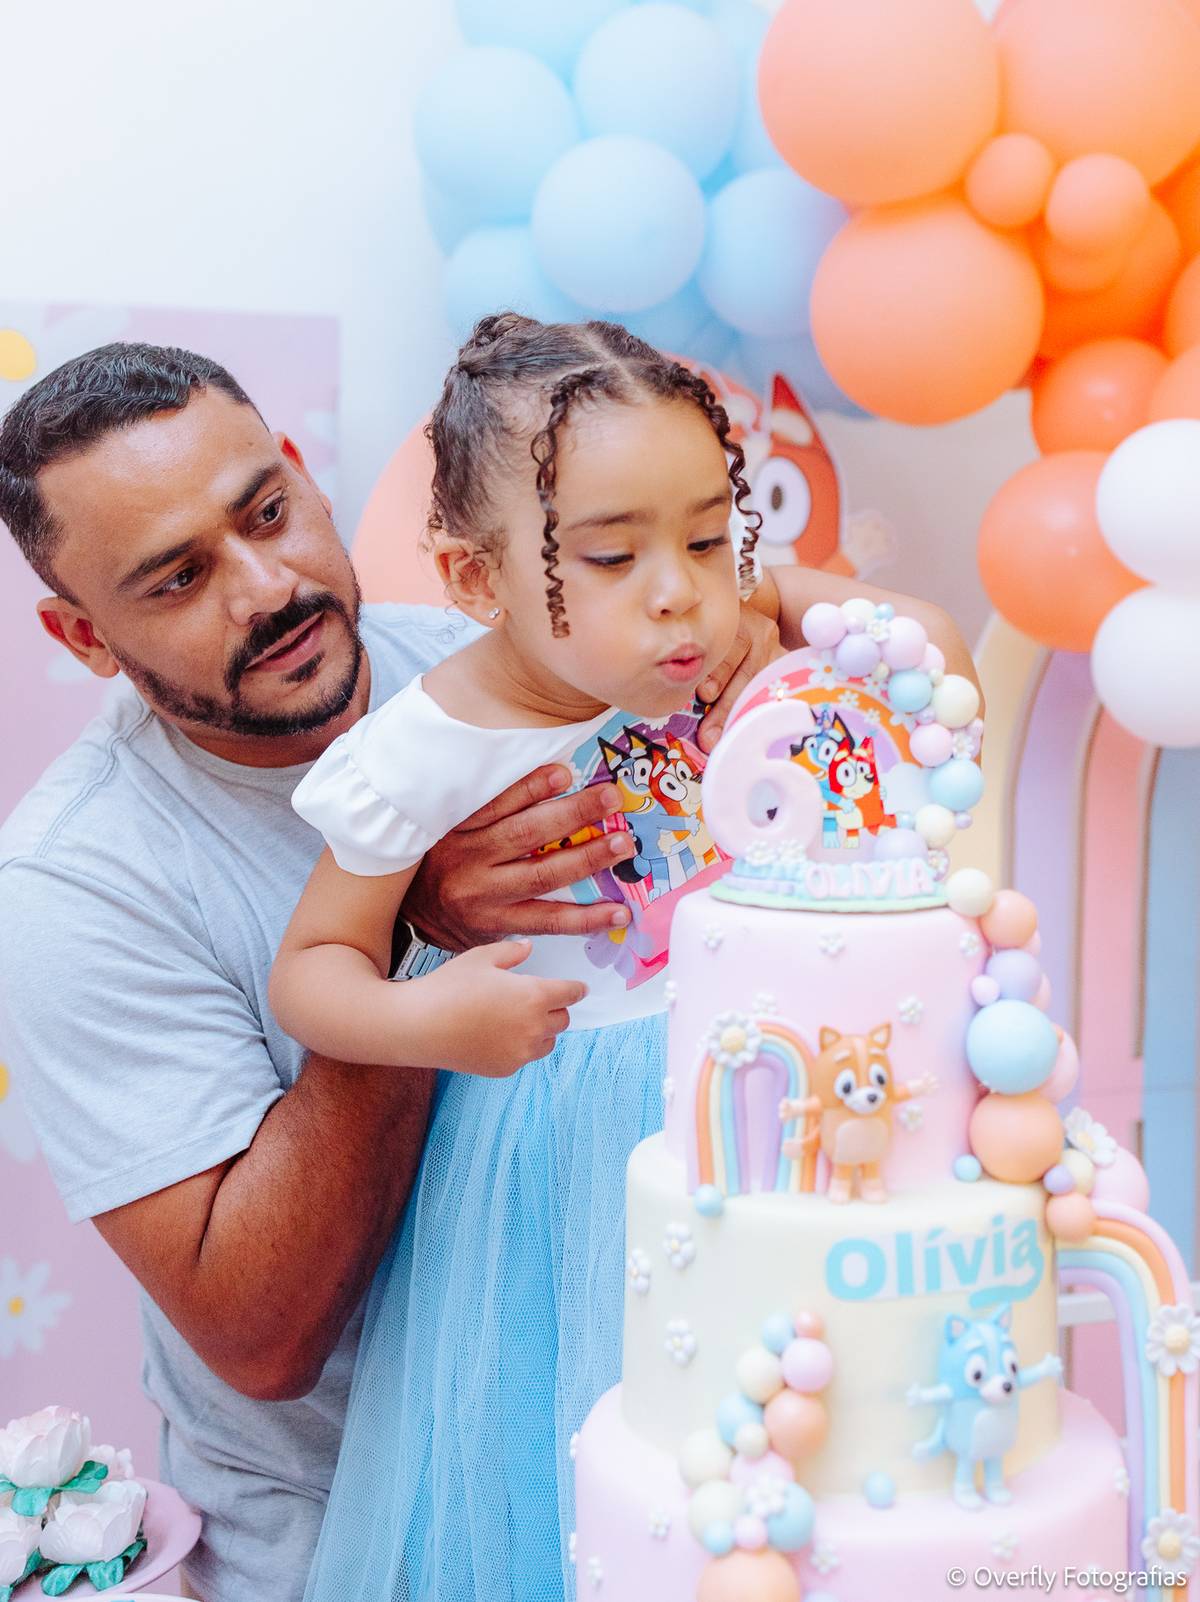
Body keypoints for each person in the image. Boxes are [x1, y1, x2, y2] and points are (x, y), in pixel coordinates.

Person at [0, 339, 930, 1602]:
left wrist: (770, 694)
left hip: (685, 1379)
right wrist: (421, 935)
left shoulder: (534, 644)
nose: (267, 587)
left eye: (270, 512)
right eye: (177, 578)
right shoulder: (78, 883)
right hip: (360, 1508)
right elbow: (259, 1338)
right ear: (84, 637)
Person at [277, 316, 980, 1602]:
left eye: (709, 536)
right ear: (475, 581)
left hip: (764, 1110)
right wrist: (437, 1025)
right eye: (614, 555)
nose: (677, 590)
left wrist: (770, 594)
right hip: (552, 1155)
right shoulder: (423, 747)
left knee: (781, 1455)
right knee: (584, 1461)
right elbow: (313, 968)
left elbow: (942, 667)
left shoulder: (730, 652)